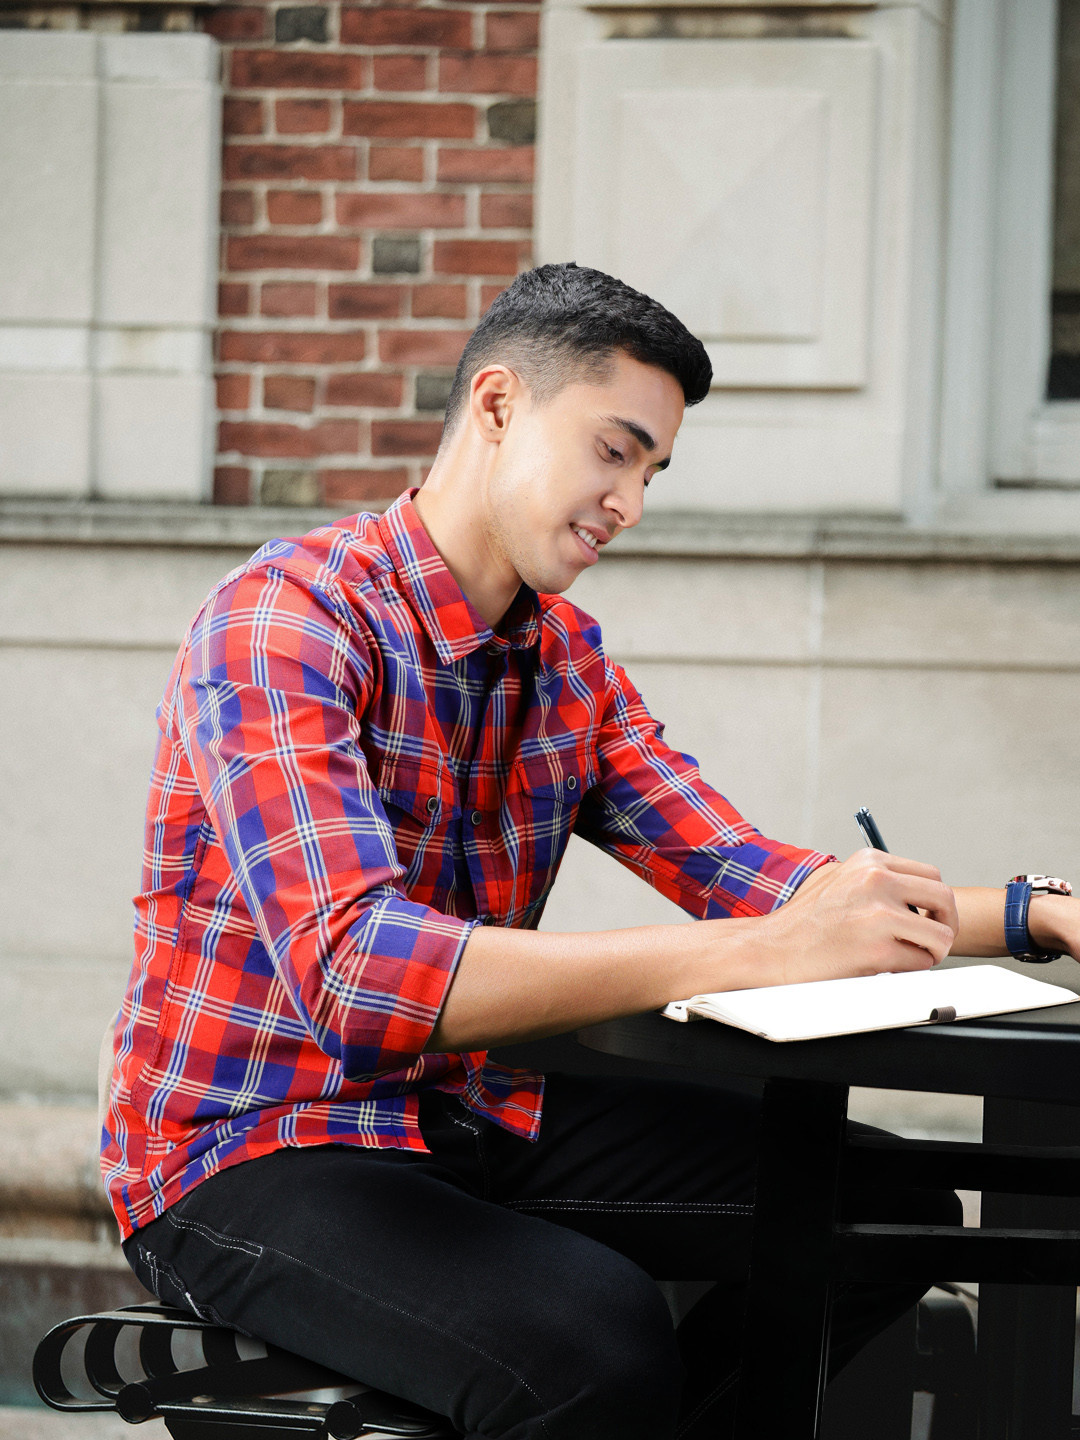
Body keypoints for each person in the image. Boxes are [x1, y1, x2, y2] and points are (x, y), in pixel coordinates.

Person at [102, 263, 1078, 1440]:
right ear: (501, 405)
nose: (632, 501)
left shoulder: (567, 661)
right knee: (595, 1339)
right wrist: (756, 952)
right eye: (615, 451)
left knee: (889, 1205)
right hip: (249, 1147)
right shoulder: (285, 622)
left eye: (652, 470)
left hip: (470, 1107)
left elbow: (755, 876)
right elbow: (360, 974)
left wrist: (1040, 912)